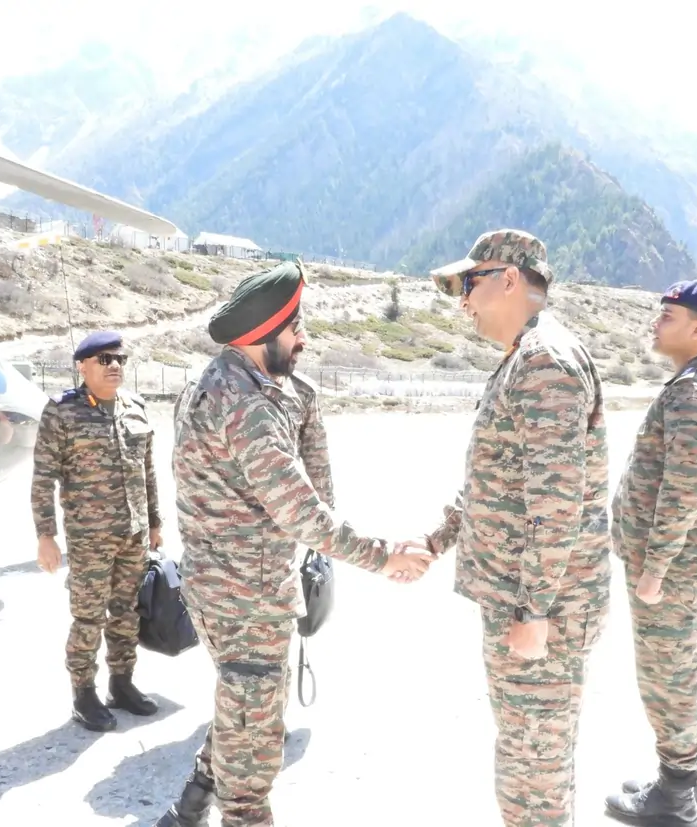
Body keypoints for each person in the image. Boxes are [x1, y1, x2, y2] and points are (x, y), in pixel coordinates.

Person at [154, 260, 434, 827]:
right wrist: (385, 556)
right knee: (254, 753)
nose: (302, 338)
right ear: (263, 334)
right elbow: (303, 512)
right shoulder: (248, 406)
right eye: (294, 329)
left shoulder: (225, 382)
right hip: (243, 598)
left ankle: (191, 803)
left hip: (232, 587)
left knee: (246, 705)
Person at [404, 229, 613, 827]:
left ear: (511, 279)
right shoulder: (527, 357)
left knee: (532, 770)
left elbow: (556, 502)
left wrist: (536, 610)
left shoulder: (544, 362)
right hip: (529, 597)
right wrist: (438, 538)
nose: (463, 301)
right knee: (532, 754)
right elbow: (500, 484)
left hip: (541, 603)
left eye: (470, 284)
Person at [603, 279, 697, 827]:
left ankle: (676, 799)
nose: (655, 323)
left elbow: (683, 489)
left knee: (667, 675)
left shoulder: (695, 394)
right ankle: (682, 784)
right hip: (687, 561)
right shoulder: (696, 383)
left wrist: (655, 567)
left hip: (672, 566)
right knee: (682, 666)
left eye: (668, 315)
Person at [30, 330, 163, 732]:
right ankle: (83, 693)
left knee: (126, 614)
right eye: (104, 360)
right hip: (90, 538)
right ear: (82, 367)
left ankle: (121, 684)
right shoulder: (62, 412)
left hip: (134, 534)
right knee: (88, 617)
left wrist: (155, 522)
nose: (115, 366)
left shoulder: (136, 407)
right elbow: (43, 479)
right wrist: (45, 535)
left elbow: (148, 471)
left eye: (119, 358)